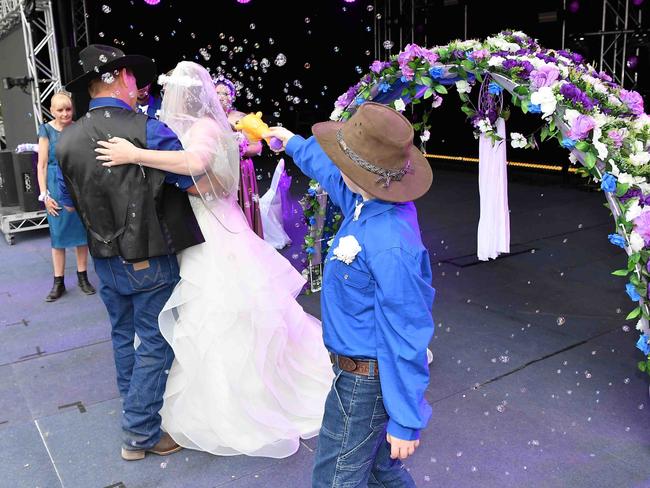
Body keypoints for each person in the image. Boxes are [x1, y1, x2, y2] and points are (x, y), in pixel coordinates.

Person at [95, 61, 333, 459]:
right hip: (186, 230)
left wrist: (136, 155)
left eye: (177, 94)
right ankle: (177, 399)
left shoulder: (204, 128)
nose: (171, 100)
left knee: (223, 310)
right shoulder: (171, 128)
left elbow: (200, 166)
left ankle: (238, 398)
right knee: (190, 314)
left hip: (212, 228)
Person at [265, 101, 435, 487]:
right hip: (357, 373)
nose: (336, 162)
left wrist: (406, 419)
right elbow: (331, 174)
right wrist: (290, 142)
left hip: (366, 382)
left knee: (335, 479)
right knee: (379, 470)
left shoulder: (391, 243)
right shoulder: (369, 201)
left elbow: (408, 330)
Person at [56, 44, 205, 461]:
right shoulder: (148, 128)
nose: (138, 85)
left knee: (124, 336)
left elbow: (67, 201)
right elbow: (193, 182)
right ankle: (139, 433)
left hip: (104, 258)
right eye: (132, 78)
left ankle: (136, 415)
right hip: (151, 255)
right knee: (156, 341)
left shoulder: (66, 138)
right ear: (120, 78)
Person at [36, 92, 95, 301]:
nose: (64, 113)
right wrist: (44, 195)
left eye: (68, 109)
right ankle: (58, 282)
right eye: (60, 110)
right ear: (52, 111)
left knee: (81, 235)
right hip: (54, 187)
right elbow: (41, 165)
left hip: (76, 185)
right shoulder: (46, 130)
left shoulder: (79, 128)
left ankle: (83, 277)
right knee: (58, 236)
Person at [214, 75, 264, 238]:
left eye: (226, 94)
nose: (222, 97)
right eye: (218, 93)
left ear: (233, 96)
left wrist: (239, 150)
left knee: (243, 207)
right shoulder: (207, 119)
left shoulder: (242, 118)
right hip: (219, 171)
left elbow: (257, 146)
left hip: (241, 170)